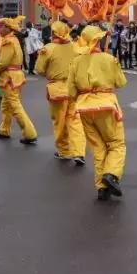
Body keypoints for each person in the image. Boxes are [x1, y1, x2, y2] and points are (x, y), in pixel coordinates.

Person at [67, 25, 128, 200]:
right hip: (106, 105)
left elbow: (71, 92)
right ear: (98, 40)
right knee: (116, 144)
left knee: (98, 147)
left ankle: (101, 187)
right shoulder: (109, 59)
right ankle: (111, 174)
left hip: (84, 108)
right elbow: (121, 82)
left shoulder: (76, 61)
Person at [35, 20, 86, 165]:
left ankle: (64, 151)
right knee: (75, 121)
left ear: (53, 33)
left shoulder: (48, 48)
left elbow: (39, 69)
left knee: (60, 122)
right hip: (73, 88)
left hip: (57, 89)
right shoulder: (75, 47)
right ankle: (79, 152)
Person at [0, 16, 39, 145]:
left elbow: (3, 63)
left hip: (9, 77)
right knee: (6, 105)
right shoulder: (13, 40)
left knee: (15, 106)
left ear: (8, 28)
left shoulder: (8, 41)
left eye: (1, 26)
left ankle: (30, 133)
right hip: (14, 76)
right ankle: (4, 130)